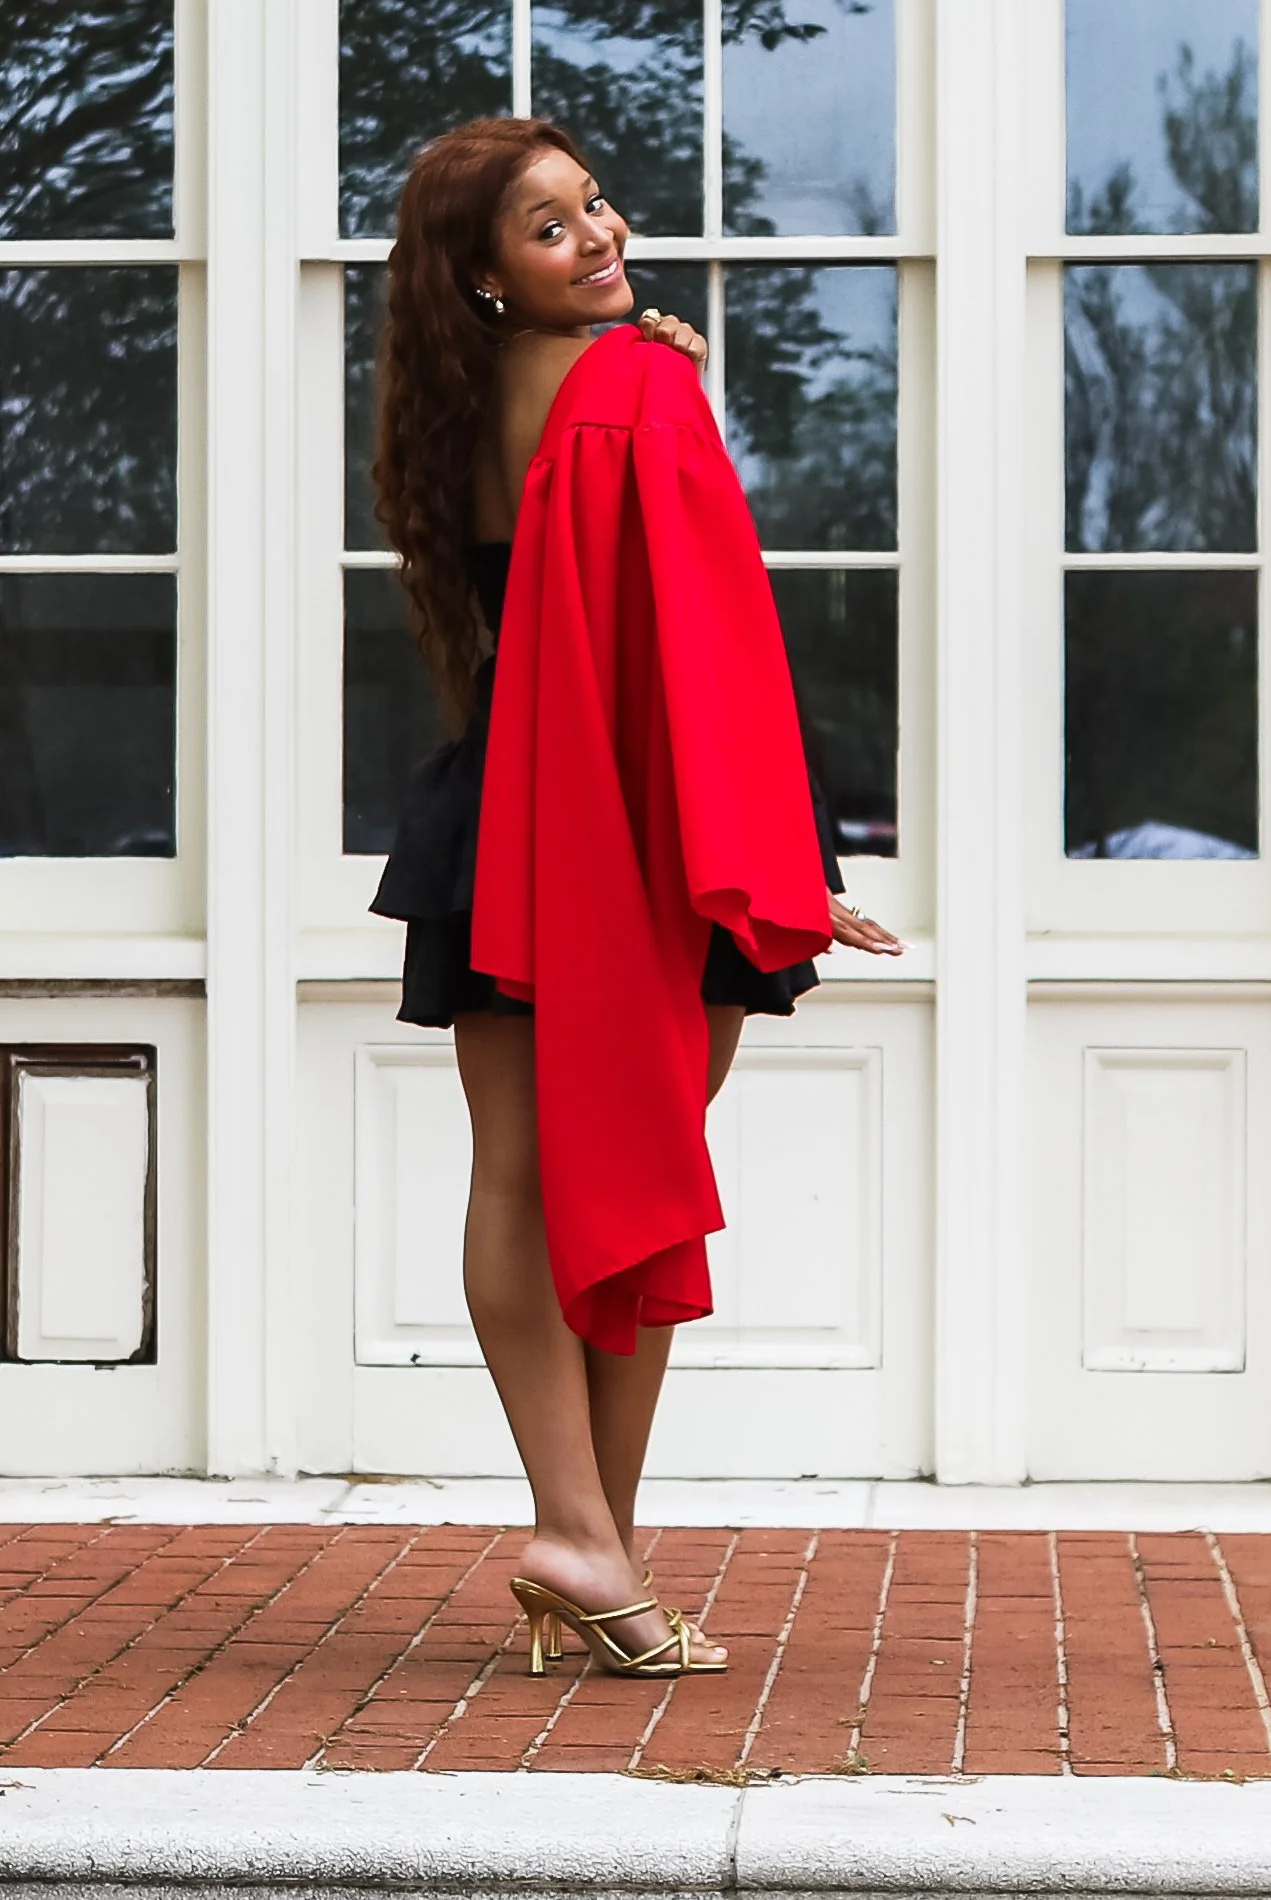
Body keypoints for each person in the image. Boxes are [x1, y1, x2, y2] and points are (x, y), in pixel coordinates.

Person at [369, 116, 903, 1678]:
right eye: (549, 227)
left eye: (593, 203)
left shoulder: (450, 406)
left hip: (502, 816)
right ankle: (588, 1534)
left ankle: (585, 1532)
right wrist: (778, 862)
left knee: (521, 1175)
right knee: (637, 1159)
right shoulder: (637, 387)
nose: (598, 234)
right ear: (483, 273)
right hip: (648, 821)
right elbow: (697, 640)